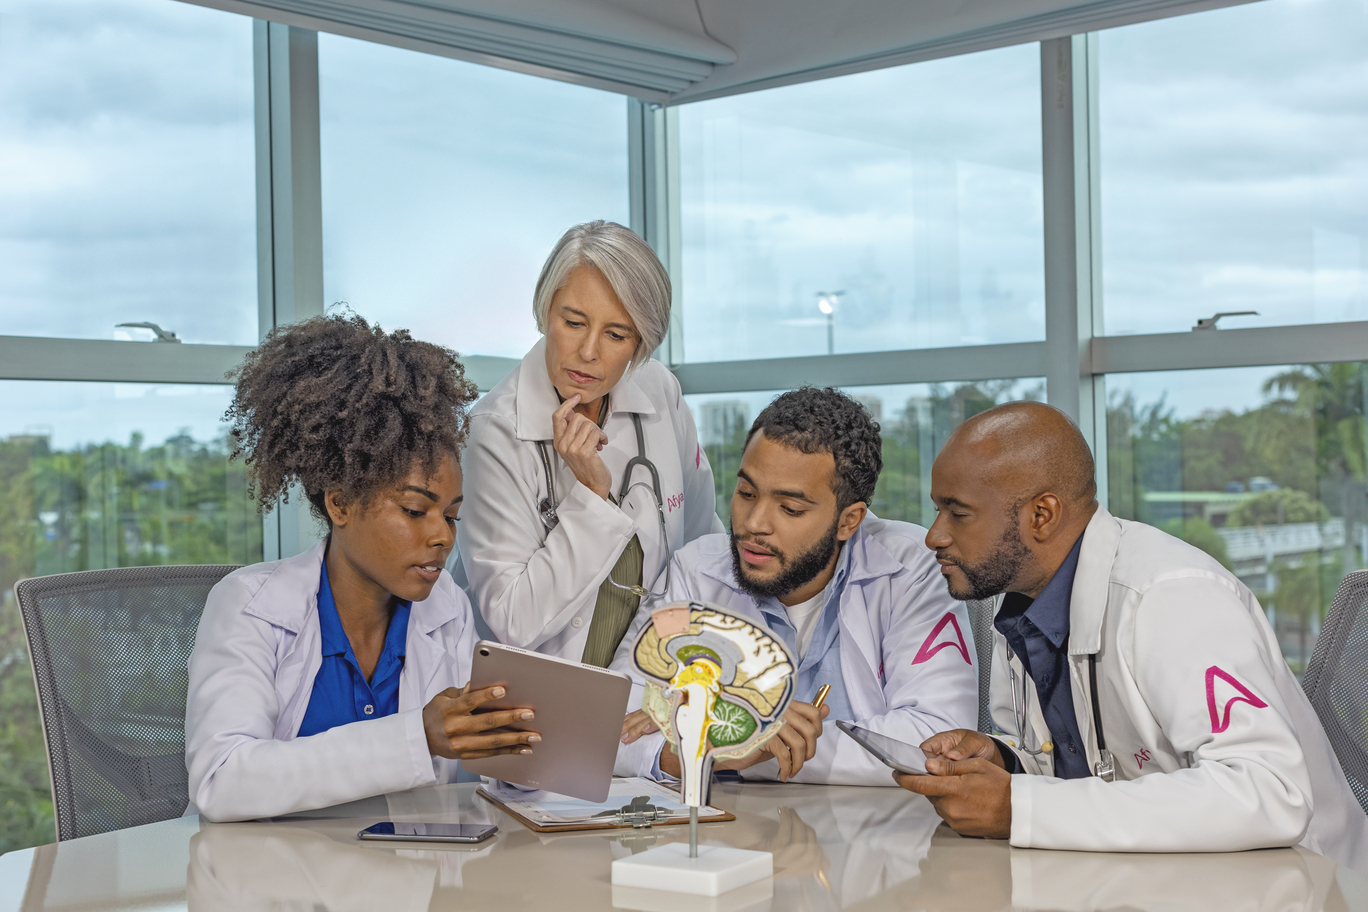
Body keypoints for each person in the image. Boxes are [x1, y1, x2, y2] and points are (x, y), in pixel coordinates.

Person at [896, 400, 1368, 870]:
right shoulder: (1023, 603)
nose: (933, 535)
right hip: (1158, 879)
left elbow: (1268, 792)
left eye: (957, 513)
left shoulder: (1168, 597)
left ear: (1042, 515)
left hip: (1297, 885)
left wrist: (1020, 806)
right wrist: (1007, 762)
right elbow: (1096, 762)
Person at [185, 315, 538, 823]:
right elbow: (222, 780)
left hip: (400, 883)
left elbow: (489, 753)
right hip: (266, 886)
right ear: (341, 504)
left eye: (452, 515)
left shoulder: (445, 608)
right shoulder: (250, 607)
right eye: (415, 511)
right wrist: (418, 735)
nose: (442, 535)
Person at [616, 388, 978, 784]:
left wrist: (734, 734)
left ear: (849, 520)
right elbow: (613, 730)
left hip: (871, 831)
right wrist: (726, 746)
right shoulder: (695, 572)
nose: (753, 523)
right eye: (746, 493)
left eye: (790, 508)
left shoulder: (911, 569)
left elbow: (937, 739)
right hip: (729, 831)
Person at [458, 221, 723, 665]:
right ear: (546, 312)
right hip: (535, 691)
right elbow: (513, 620)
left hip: (650, 679)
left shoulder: (660, 392)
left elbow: (700, 544)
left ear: (642, 343)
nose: (588, 351)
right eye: (573, 322)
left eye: (616, 335)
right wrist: (592, 498)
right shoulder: (494, 430)